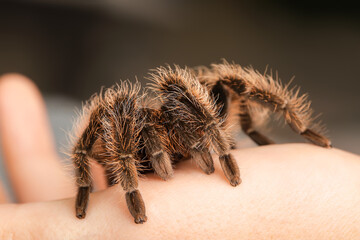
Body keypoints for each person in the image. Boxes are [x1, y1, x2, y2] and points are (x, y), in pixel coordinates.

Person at [0, 73, 359, 239]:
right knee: (121, 107)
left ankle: (289, 131)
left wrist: (221, 141)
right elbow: (87, 144)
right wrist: (106, 185)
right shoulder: (129, 123)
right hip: (126, 159)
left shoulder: (189, 111)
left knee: (217, 81)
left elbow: (226, 87)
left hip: (199, 133)